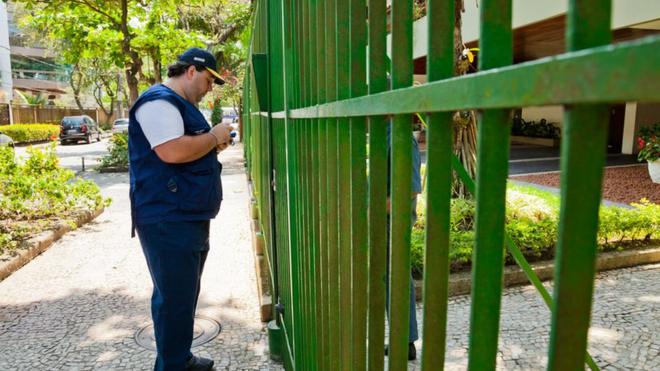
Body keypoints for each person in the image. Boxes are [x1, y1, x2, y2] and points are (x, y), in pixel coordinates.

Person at [129, 48, 233, 371]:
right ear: (191, 71)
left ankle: (180, 359)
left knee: (183, 297)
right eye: (209, 79)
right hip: (167, 219)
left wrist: (215, 141)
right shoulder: (158, 101)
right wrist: (214, 137)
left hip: (186, 216)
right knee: (174, 301)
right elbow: (172, 151)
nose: (210, 88)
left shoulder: (181, 105)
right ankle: (173, 365)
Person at [384, 122, 421, 361]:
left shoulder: (401, 138)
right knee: (390, 279)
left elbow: (410, 188)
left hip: (393, 220)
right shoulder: (386, 133)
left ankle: (406, 340)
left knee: (396, 278)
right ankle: (401, 337)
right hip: (386, 218)